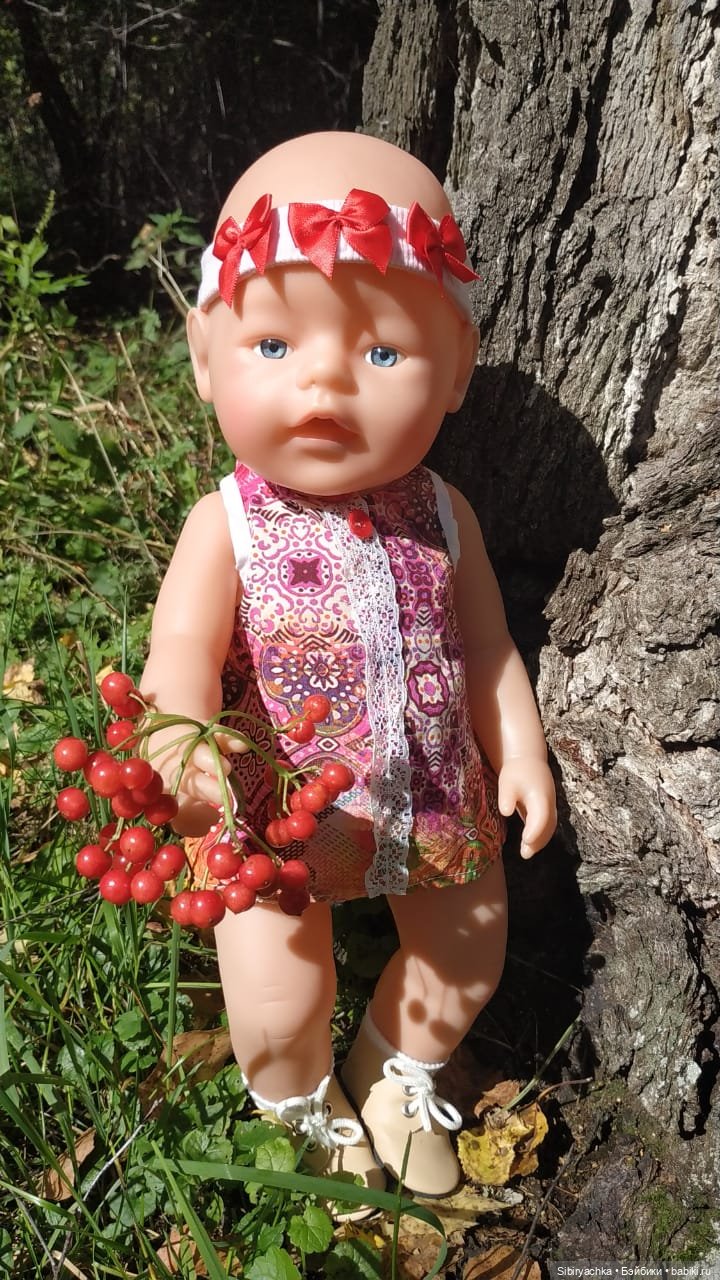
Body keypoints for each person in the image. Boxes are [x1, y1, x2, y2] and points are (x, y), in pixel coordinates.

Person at [140, 130, 556, 1205]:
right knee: (279, 996)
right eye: (274, 343)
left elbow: (486, 645)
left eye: (381, 353)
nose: (325, 377)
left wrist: (519, 751)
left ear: (455, 367)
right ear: (205, 356)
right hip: (269, 816)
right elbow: (179, 651)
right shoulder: (226, 523)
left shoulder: (446, 514)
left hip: (435, 801)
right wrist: (179, 746)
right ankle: (300, 1101)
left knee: (468, 949)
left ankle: (394, 1064)